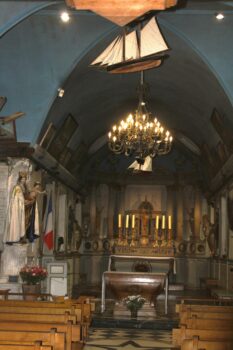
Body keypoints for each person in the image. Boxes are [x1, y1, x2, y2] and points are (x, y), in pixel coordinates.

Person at [3, 172, 28, 244]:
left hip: (18, 208)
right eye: (22, 179)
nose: (23, 181)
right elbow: (18, 197)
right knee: (14, 223)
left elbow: (21, 197)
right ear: (20, 180)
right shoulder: (17, 188)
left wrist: (23, 201)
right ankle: (11, 238)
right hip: (15, 208)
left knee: (18, 224)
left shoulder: (20, 187)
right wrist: (23, 201)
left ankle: (16, 238)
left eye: (24, 179)